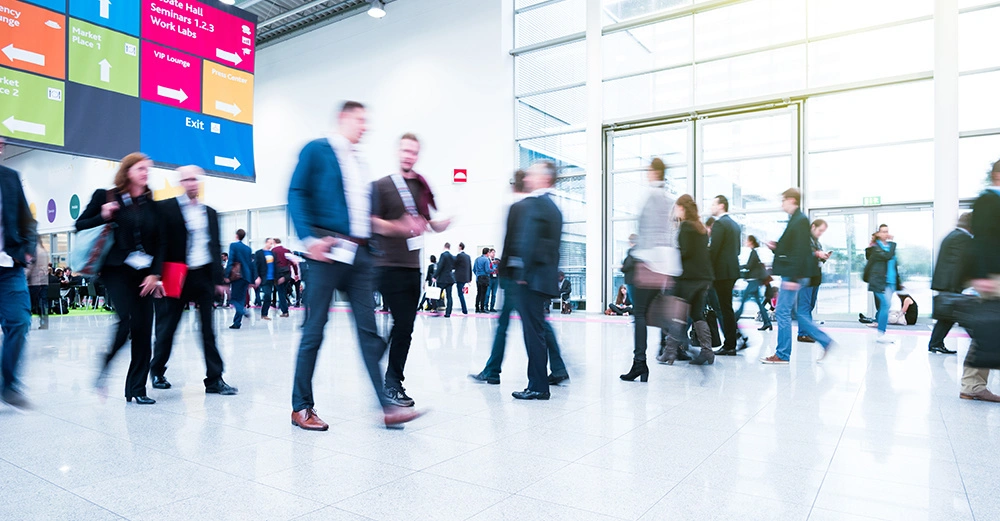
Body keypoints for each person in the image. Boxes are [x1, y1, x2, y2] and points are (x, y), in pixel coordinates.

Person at [287, 100, 420, 429]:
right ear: (343, 118)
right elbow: (296, 192)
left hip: (359, 257)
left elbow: (359, 213)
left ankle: (387, 407)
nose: (365, 126)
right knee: (314, 331)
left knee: (368, 332)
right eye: (360, 120)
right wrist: (309, 239)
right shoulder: (317, 150)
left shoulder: (358, 162)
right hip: (326, 251)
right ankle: (301, 407)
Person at [468, 170, 569, 387]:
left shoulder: (521, 207)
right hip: (524, 276)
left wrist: (505, 273)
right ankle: (557, 367)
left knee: (512, 325)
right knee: (537, 323)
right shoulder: (536, 206)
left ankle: (494, 371)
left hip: (517, 277)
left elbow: (514, 242)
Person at [371, 132, 449, 409]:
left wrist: (442, 224)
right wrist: (398, 227)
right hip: (386, 266)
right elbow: (372, 222)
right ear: (398, 151)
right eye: (405, 150)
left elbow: (426, 223)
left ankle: (392, 382)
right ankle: (385, 372)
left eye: (413, 152)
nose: (409, 156)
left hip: (411, 267)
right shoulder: (381, 186)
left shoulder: (420, 187)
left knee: (405, 327)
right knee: (398, 325)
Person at [77, 152, 162, 404]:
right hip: (115, 270)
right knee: (126, 319)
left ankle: (137, 389)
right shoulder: (106, 196)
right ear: (127, 171)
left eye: (148, 169)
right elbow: (79, 225)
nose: (145, 173)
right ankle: (105, 363)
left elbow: (160, 242)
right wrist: (102, 214)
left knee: (144, 329)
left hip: (144, 273)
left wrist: (155, 274)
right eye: (140, 168)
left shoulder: (152, 204)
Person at [149, 166, 237, 396]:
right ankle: (157, 370)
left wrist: (219, 280)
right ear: (180, 182)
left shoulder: (209, 212)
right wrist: (156, 275)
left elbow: (215, 246)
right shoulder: (166, 208)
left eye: (195, 179)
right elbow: (160, 244)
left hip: (203, 276)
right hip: (175, 275)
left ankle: (215, 378)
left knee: (208, 329)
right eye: (187, 180)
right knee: (168, 328)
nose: (192, 183)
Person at [620, 158, 678, 380]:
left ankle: (640, 363)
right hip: (664, 267)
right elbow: (671, 236)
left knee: (640, 314)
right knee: (659, 311)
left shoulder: (651, 198)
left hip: (647, 265)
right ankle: (675, 339)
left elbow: (646, 235)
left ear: (655, 172)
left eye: (648, 171)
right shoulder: (668, 200)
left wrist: (636, 256)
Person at [760, 189, 833, 364]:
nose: (781, 204)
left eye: (783, 201)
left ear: (791, 200)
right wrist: (776, 246)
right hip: (793, 273)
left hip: (792, 275)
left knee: (783, 312)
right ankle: (824, 341)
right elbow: (793, 248)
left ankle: (783, 354)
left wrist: (793, 278)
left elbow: (801, 251)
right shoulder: (796, 220)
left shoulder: (799, 221)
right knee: (794, 313)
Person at [512, 161, 564, 400]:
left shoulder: (537, 205)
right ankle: (539, 382)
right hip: (543, 279)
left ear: (544, 179)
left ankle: (537, 386)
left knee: (533, 334)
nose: (529, 177)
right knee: (538, 331)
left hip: (531, 280)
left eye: (533, 173)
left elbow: (529, 243)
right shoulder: (553, 208)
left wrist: (522, 275)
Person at [0, 137, 37, 409]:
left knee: (19, 322)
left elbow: (28, 220)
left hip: (8, 266)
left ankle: (8, 383)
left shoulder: (11, 178)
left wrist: (28, 250)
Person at [962, 160, 1000, 402]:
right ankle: (972, 384)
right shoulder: (988, 200)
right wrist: (983, 275)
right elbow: (982, 241)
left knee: (990, 329)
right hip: (994, 276)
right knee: (988, 328)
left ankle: (972, 384)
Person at [928, 213, 973, 354]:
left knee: (946, 317)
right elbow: (959, 263)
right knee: (959, 316)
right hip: (951, 285)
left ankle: (935, 343)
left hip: (946, 284)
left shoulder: (952, 236)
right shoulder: (962, 238)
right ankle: (983, 345)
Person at [708, 195, 744, 356]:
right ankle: (732, 341)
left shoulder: (720, 224)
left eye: (714, 204)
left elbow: (714, 250)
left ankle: (730, 344)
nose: (711, 207)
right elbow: (737, 250)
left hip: (721, 273)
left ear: (721, 206)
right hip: (731, 271)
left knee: (723, 308)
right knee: (726, 308)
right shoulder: (735, 225)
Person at [798, 219, 831, 343]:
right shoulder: (804, 240)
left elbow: (816, 260)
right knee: (804, 307)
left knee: (810, 306)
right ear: (813, 227)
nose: (820, 233)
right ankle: (803, 333)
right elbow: (802, 256)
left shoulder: (817, 242)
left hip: (815, 277)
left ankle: (806, 332)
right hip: (805, 277)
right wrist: (817, 254)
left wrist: (823, 257)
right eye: (820, 230)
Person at [865, 224, 899, 343]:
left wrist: (898, 282)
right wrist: (893, 243)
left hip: (891, 282)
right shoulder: (876, 248)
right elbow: (887, 256)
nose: (886, 234)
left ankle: (880, 328)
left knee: (886, 306)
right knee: (885, 305)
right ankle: (881, 333)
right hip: (879, 282)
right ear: (878, 234)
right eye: (883, 232)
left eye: (887, 231)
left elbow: (894, 264)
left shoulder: (889, 247)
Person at [735, 236, 772, 331]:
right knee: (759, 303)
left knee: (743, 301)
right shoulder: (754, 252)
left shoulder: (753, 252)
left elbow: (749, 265)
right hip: (755, 280)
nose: (746, 242)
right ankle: (767, 322)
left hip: (753, 281)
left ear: (751, 241)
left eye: (747, 241)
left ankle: (734, 320)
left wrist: (737, 266)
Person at [226, 229, 254, 329]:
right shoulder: (248, 249)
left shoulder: (233, 245)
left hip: (237, 276)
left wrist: (226, 275)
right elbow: (251, 264)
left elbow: (231, 260)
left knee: (233, 298)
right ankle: (237, 323)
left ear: (236, 235)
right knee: (241, 299)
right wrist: (252, 279)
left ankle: (242, 311)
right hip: (246, 276)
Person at [26, 243, 49, 330]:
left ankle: (28, 323)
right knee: (43, 303)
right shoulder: (43, 251)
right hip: (43, 282)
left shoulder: (33, 251)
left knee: (29, 304)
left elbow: (30, 267)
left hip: (34, 282)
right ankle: (44, 323)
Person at [254, 238, 277, 320]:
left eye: (272, 244)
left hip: (271, 278)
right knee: (267, 295)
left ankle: (264, 314)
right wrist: (257, 277)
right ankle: (263, 312)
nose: (271, 245)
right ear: (266, 242)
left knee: (268, 296)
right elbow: (255, 266)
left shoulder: (273, 254)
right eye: (270, 243)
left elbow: (275, 266)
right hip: (263, 278)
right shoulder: (259, 253)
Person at [271, 238, 293, 317]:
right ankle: (284, 308)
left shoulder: (274, 250)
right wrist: (296, 274)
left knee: (280, 292)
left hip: (278, 274)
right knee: (283, 292)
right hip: (287, 274)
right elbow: (292, 262)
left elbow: (272, 264)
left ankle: (285, 311)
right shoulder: (287, 250)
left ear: (274, 242)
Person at [436, 242, 456, 317]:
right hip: (450, 279)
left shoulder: (443, 255)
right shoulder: (452, 256)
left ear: (444, 247)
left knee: (437, 295)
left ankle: (437, 310)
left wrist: (435, 276)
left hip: (442, 279)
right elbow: (454, 267)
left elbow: (440, 266)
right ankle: (448, 313)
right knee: (449, 296)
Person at [454, 242, 472, 314]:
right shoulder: (468, 256)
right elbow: (469, 267)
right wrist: (470, 278)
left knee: (460, 294)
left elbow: (454, 265)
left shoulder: (459, 256)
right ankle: (464, 310)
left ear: (460, 247)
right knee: (461, 293)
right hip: (466, 278)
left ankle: (464, 310)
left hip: (459, 278)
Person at [473, 247, 491, 313]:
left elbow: (474, 269)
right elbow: (487, 270)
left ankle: (477, 308)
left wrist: (478, 274)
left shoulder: (477, 259)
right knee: (484, 293)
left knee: (479, 293)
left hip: (478, 278)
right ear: (487, 253)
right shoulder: (486, 260)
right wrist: (493, 270)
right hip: (485, 278)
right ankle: (482, 308)